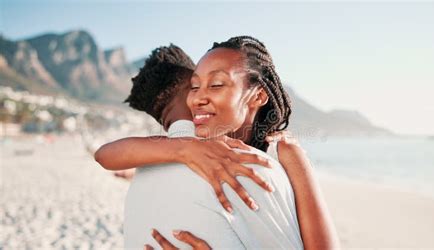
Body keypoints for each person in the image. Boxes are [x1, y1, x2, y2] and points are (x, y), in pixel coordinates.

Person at [96, 36, 339, 249]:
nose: (199, 97)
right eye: (194, 86)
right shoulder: (198, 146)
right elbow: (106, 154)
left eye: (216, 84)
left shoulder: (281, 152)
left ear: (259, 96)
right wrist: (187, 149)